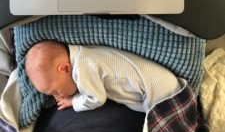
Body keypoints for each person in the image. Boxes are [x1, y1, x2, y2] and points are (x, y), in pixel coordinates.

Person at [25, 40, 181, 112]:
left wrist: (73, 101)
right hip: (160, 85)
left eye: (55, 91)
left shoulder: (83, 67)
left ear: (65, 68)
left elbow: (96, 99)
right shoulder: (84, 52)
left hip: (160, 90)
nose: (56, 97)